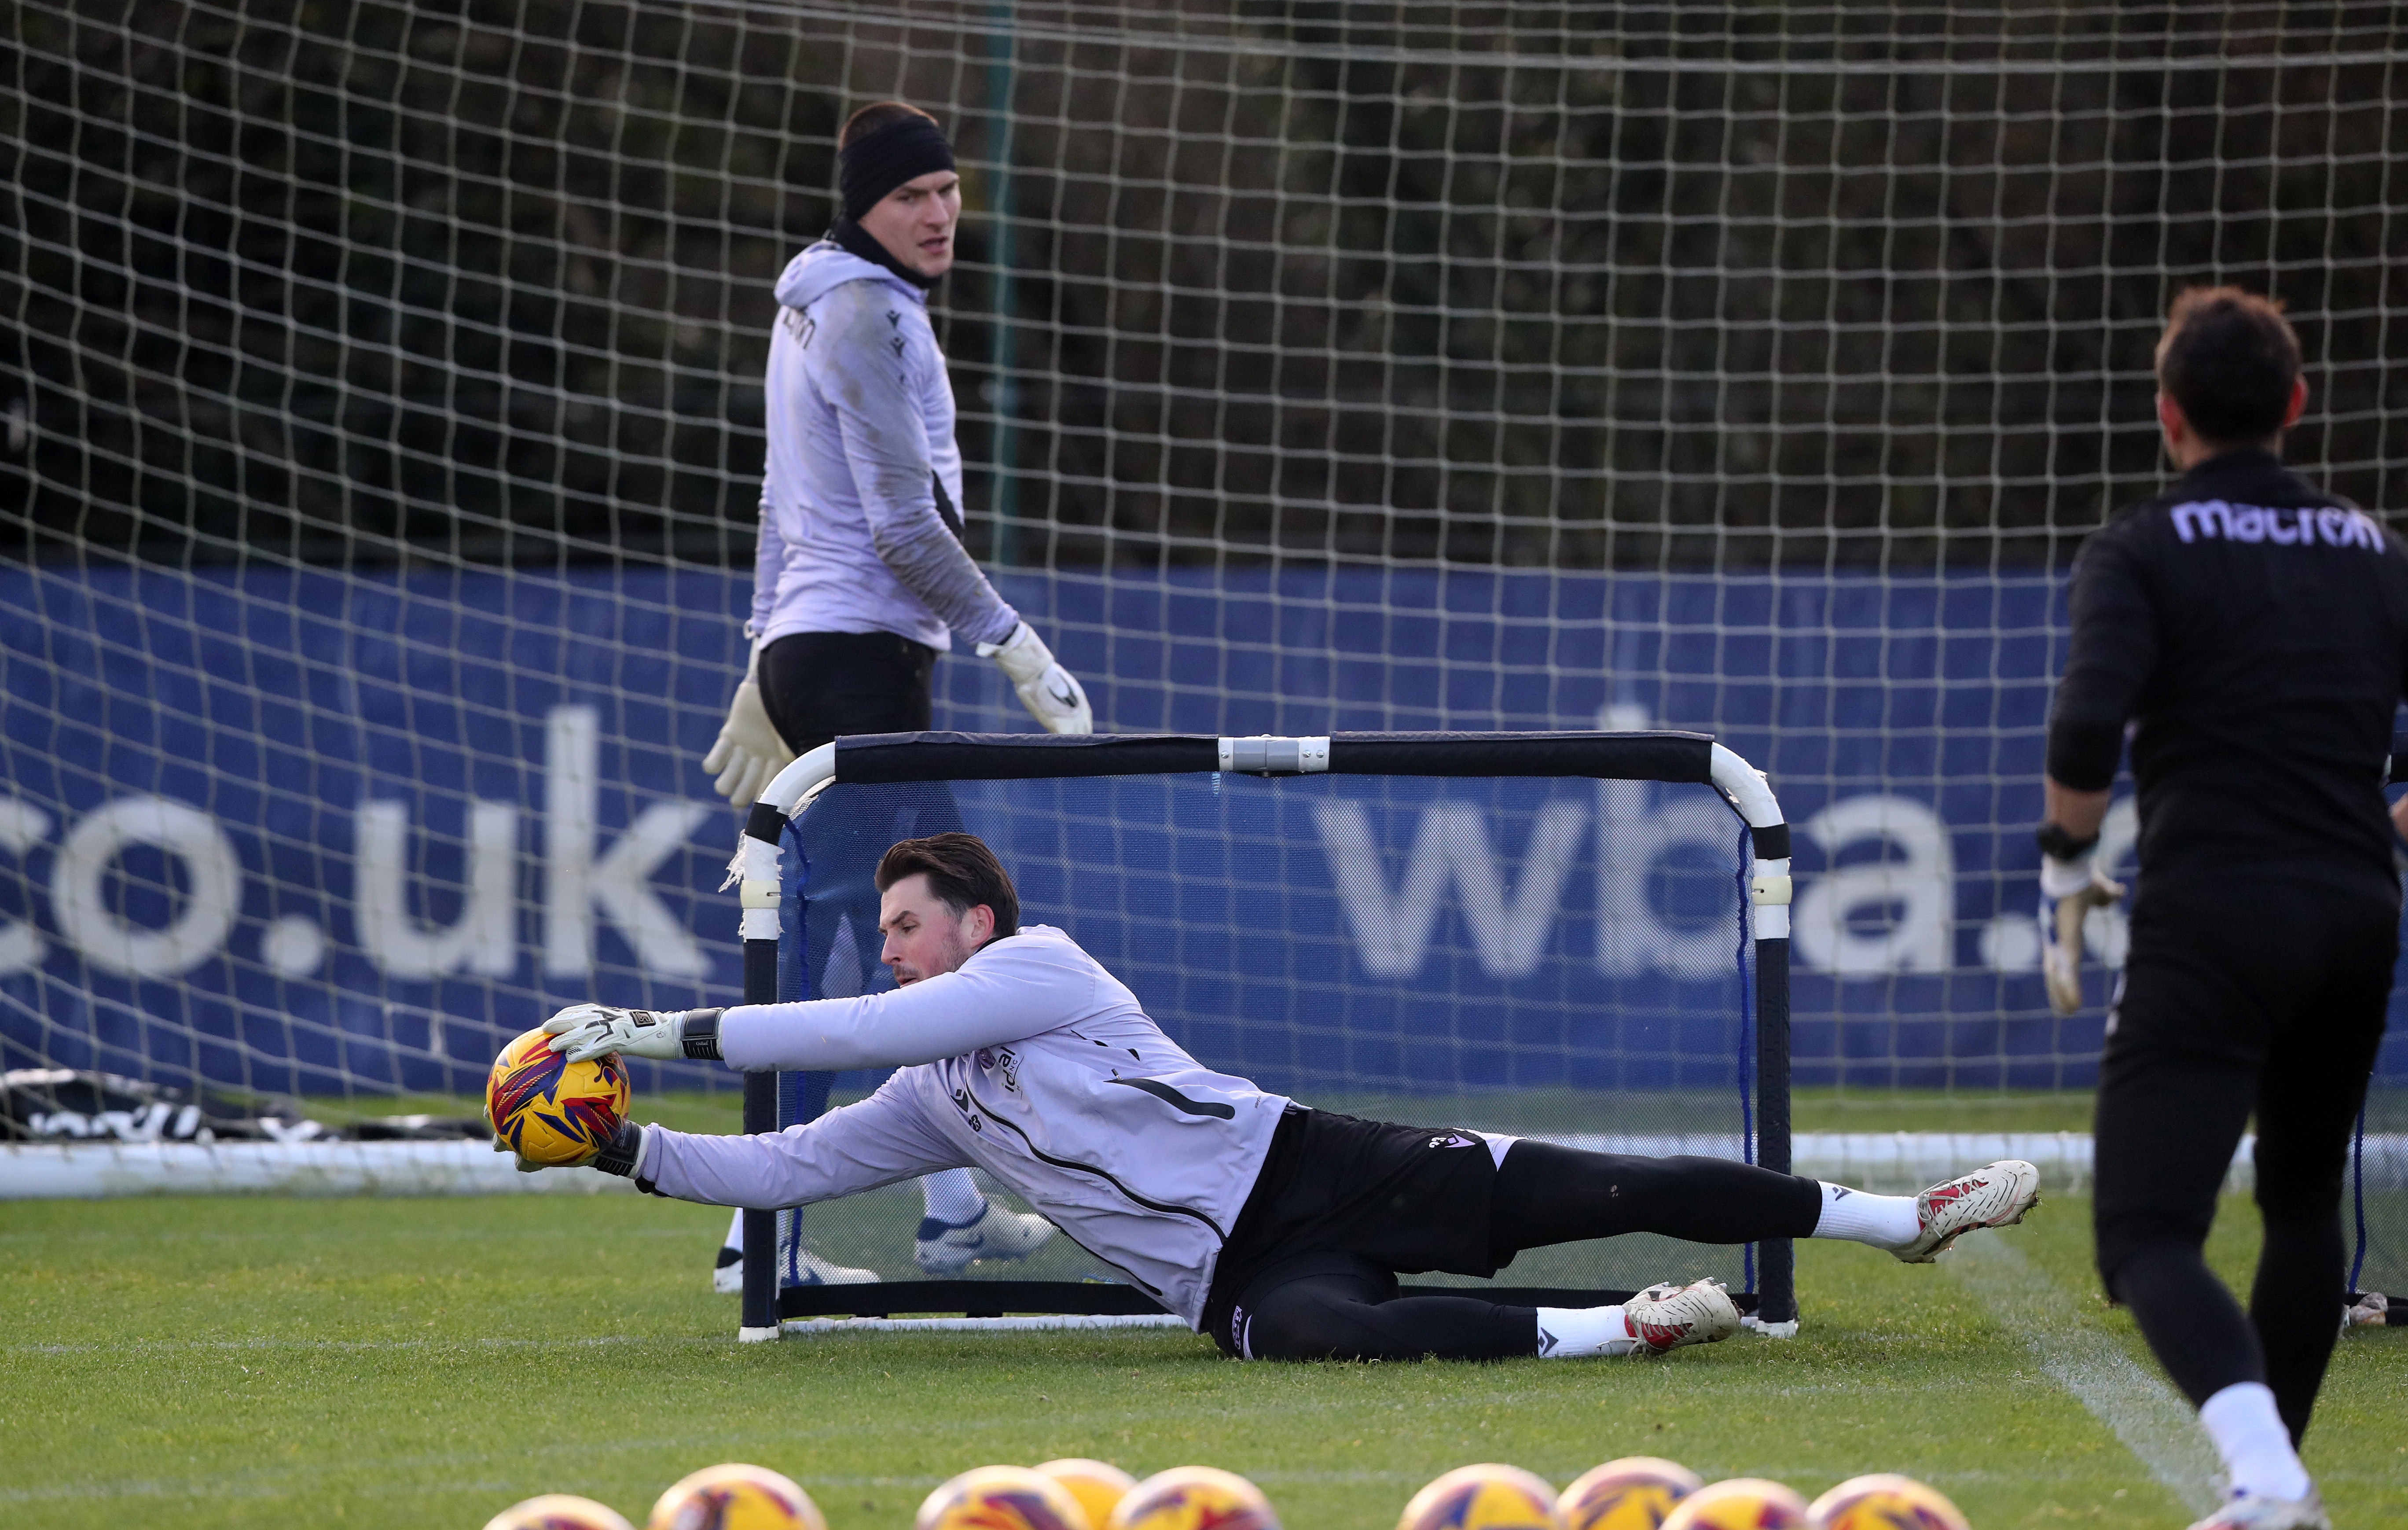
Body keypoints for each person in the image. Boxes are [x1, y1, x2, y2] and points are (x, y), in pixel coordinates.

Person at [540, 832, 2041, 1362]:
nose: (894, 946)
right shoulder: (944, 1094)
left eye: (912, 923)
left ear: (976, 927)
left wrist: (643, 1024)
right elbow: (792, 1165)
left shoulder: (1043, 966)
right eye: (888, 933)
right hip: (1233, 1275)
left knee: (1607, 1188)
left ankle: (1899, 1216)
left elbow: (854, 1025)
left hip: (1316, 1166)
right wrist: (624, 1149)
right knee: (1326, 1339)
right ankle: (1626, 1330)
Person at [694, 100, 1090, 1291]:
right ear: (864, 206)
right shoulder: (863, 310)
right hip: (859, 659)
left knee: (862, 951)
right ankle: (759, 1239)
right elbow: (903, 526)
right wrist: (1016, 645)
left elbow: (783, 502)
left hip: (824, 653)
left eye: (950, 192)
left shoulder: (821, 301)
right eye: (913, 196)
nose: (940, 214)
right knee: (929, 952)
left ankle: (945, 1211)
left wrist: (766, 656)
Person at [2038, 287, 2407, 1530]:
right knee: (2302, 1204)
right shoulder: (2376, 549)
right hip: (2358, 913)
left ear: (2168, 416)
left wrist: (2062, 859)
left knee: (2145, 1230)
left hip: (2216, 916)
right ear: (2297, 407)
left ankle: (2266, 1479)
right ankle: (2275, 1481)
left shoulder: (2143, 547)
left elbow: (2089, 727)